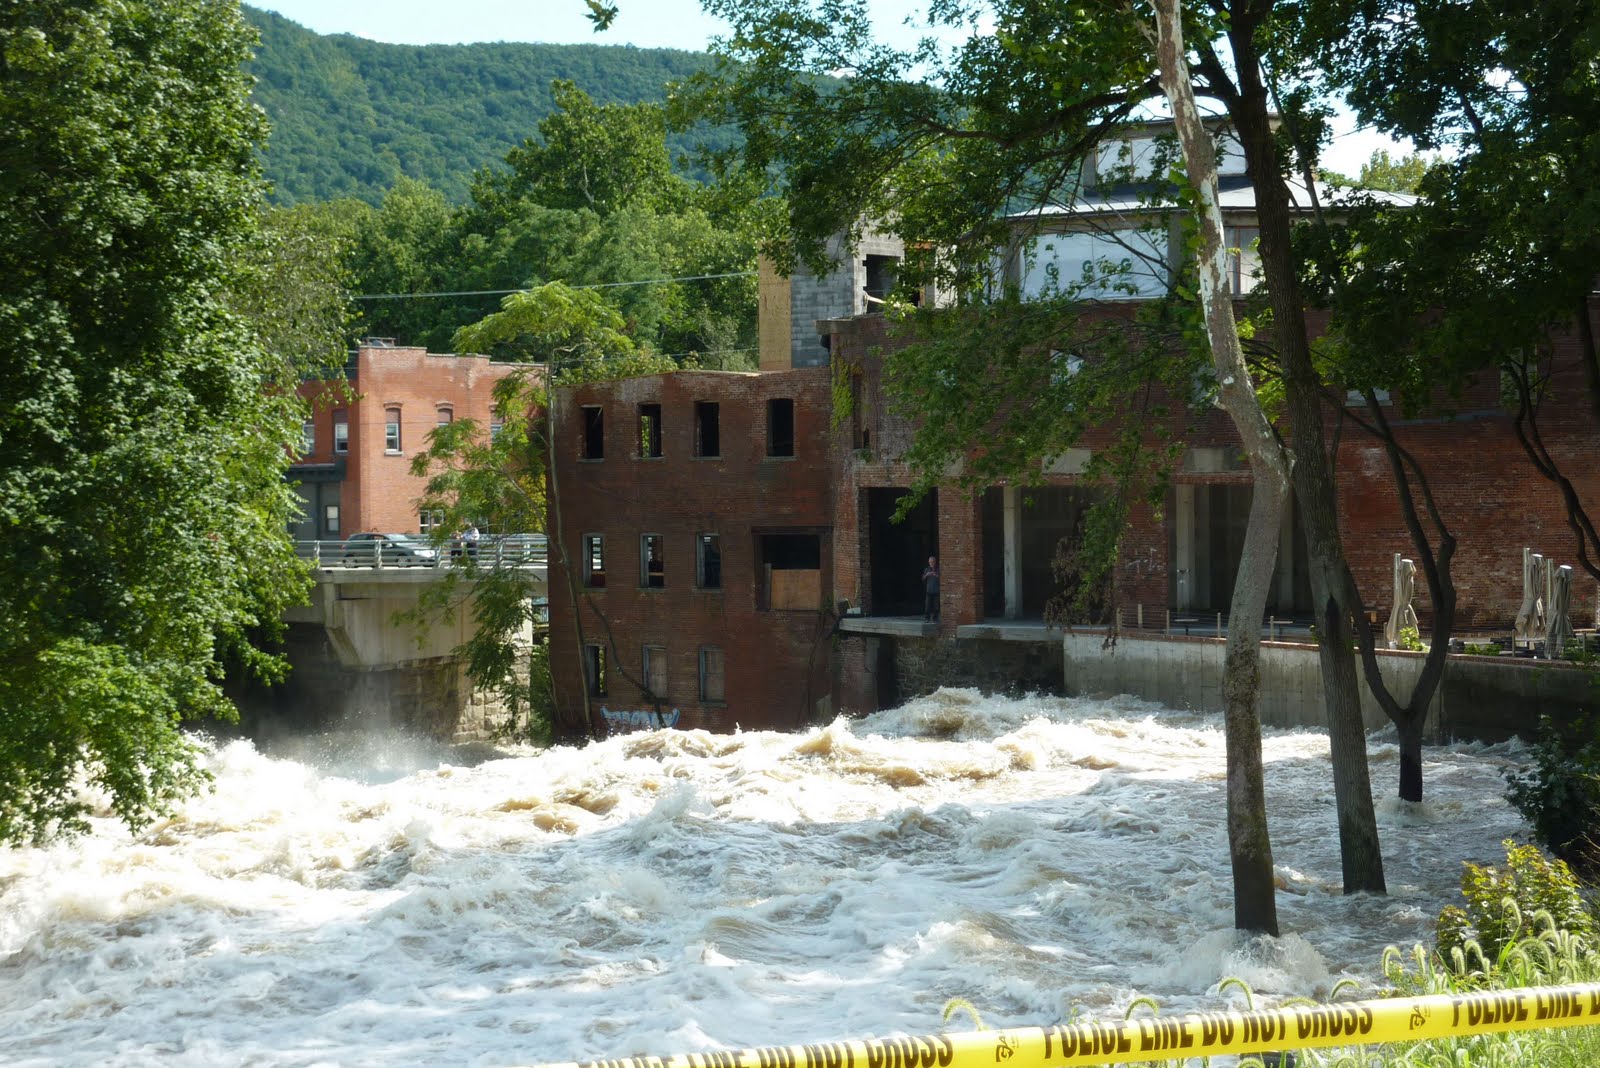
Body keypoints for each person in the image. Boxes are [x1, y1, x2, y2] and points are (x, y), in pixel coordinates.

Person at [921, 555, 939, 621]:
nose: (931, 563)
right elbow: (922, 579)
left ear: (935, 562)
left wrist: (936, 575)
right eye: (930, 562)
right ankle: (927, 618)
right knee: (927, 606)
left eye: (932, 562)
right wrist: (926, 575)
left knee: (936, 606)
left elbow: (942, 579)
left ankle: (935, 618)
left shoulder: (938, 569)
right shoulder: (927, 569)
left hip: (936, 591)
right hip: (929, 590)